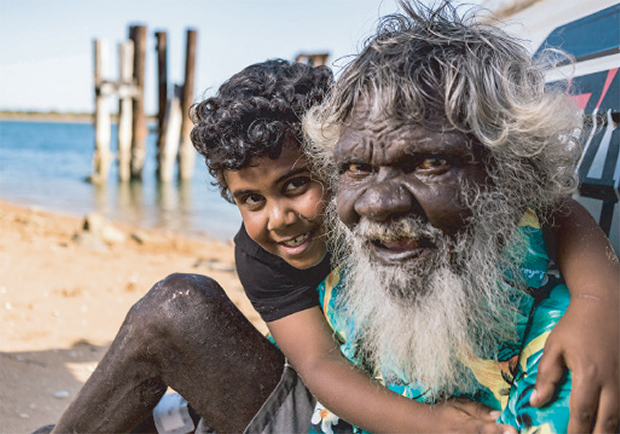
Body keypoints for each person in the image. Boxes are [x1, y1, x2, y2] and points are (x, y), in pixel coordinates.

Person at [46, 36, 617, 434]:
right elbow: (320, 366)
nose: (279, 218)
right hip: (324, 401)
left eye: (298, 184)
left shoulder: (364, 211)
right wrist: (426, 424)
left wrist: (599, 299)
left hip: (346, 404)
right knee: (175, 311)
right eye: (251, 201)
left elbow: (549, 209)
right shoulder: (268, 252)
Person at [301, 1, 619, 433]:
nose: (375, 205)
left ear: (514, 174)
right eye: (357, 168)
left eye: (429, 162)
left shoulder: (563, 351)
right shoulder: (338, 272)